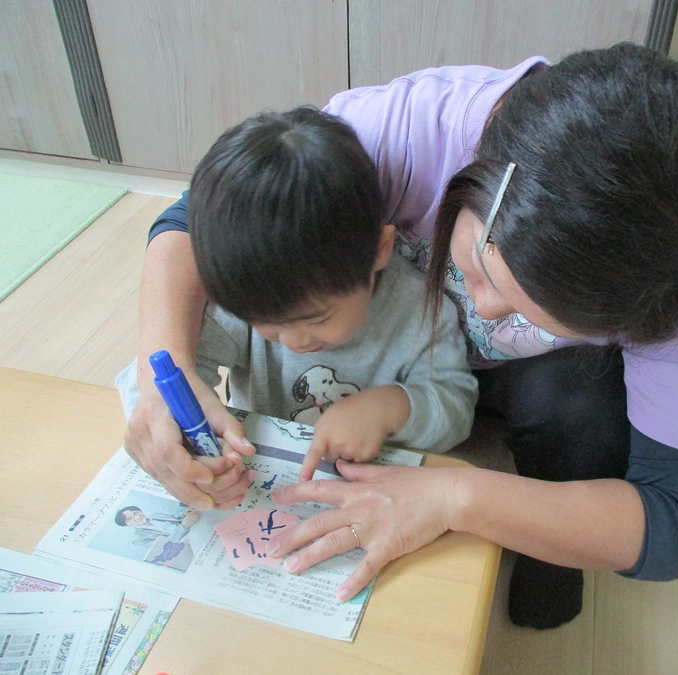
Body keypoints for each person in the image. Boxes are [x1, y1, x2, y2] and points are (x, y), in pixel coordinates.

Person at [125, 42, 678, 629]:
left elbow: (677, 520)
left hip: (489, 383)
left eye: (534, 315)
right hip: (395, 361)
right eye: (482, 270)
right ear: (482, 167)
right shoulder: (403, 131)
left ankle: (549, 557)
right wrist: (166, 369)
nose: (479, 311)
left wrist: (458, 495)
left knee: (583, 416)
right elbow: (199, 221)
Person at [117, 106, 477, 501]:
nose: (292, 341)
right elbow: (156, 380)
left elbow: (456, 409)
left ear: (380, 249)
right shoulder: (246, 297)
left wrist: (390, 408)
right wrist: (175, 430)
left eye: (316, 319)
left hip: (377, 497)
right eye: (266, 324)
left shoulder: (421, 311)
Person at [114, 505, 199, 547]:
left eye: (136, 513)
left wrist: (183, 513)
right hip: (187, 542)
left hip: (193, 527)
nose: (136, 517)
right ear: (127, 525)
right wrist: (183, 526)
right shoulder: (139, 539)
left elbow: (173, 517)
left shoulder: (156, 515)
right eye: (130, 519)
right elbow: (164, 545)